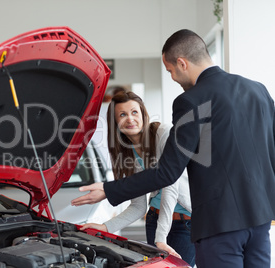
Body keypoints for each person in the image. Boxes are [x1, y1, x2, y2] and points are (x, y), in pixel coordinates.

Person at [72, 29, 275, 268]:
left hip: (218, 225)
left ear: (182, 63)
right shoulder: (258, 90)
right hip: (260, 219)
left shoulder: (190, 101)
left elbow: (168, 172)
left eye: (170, 71)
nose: (173, 78)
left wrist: (109, 189)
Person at [80, 90, 195, 265]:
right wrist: (105, 227)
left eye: (135, 112)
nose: (130, 119)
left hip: (184, 224)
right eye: (123, 114)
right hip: (154, 220)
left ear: (143, 114)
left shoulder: (162, 133)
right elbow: (138, 206)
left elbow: (170, 184)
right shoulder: (127, 153)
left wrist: (161, 237)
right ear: (115, 122)